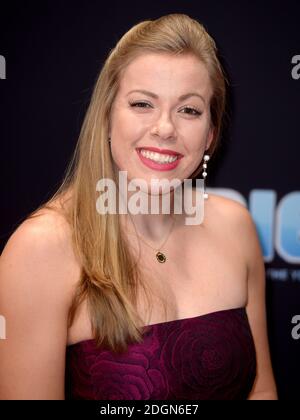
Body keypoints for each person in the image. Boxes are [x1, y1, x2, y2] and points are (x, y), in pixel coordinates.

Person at [0, 13, 278, 400]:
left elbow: (262, 391)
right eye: (143, 103)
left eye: (189, 110)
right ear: (107, 118)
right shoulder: (40, 248)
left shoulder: (235, 225)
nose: (165, 128)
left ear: (210, 134)